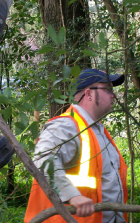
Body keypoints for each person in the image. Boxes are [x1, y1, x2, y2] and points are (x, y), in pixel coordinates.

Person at [24, 69, 128, 223]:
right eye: (107, 89)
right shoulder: (66, 125)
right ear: (89, 94)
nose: (113, 95)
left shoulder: (97, 130)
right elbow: (43, 159)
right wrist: (73, 195)